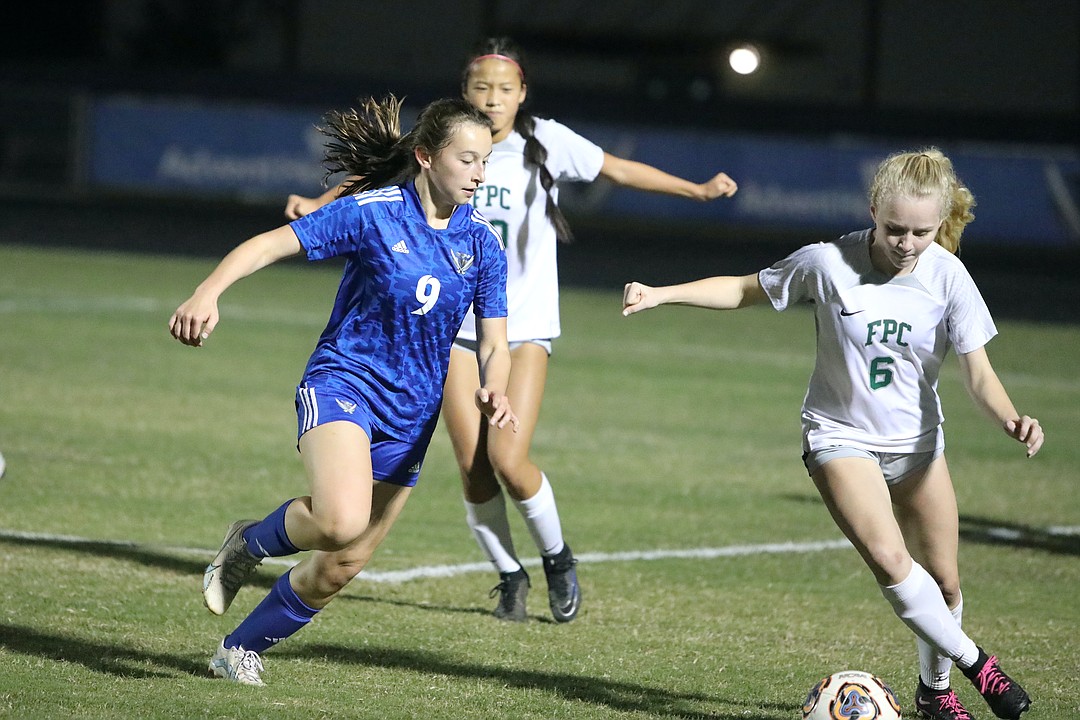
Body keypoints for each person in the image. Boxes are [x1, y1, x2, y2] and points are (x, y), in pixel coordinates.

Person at [285, 36, 739, 623]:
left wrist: (695, 190)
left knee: (507, 457)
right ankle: (509, 574)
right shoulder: (445, 146)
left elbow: (618, 169)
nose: (492, 98)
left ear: (522, 95)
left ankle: (556, 555)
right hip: (446, 332)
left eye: (504, 89)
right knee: (473, 469)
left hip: (519, 328)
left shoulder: (543, 141)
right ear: (464, 93)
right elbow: (376, 185)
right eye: (480, 87)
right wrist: (316, 206)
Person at [622, 148, 1040, 720]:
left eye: (921, 232)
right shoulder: (827, 261)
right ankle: (980, 668)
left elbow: (979, 375)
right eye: (894, 229)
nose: (907, 244)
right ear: (873, 211)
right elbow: (746, 289)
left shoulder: (949, 276)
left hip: (918, 446)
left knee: (944, 585)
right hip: (838, 437)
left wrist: (1013, 418)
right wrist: (661, 293)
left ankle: (936, 694)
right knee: (893, 561)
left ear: (939, 224)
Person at [170, 94, 518, 686]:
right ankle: (249, 543)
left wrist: (496, 388)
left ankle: (237, 650)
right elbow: (271, 243)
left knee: (342, 563)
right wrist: (209, 292)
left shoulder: (482, 243)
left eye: (486, 161)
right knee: (338, 520)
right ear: (426, 156)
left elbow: (494, 342)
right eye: (468, 160)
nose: (480, 174)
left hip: (411, 418)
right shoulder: (373, 212)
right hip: (344, 381)